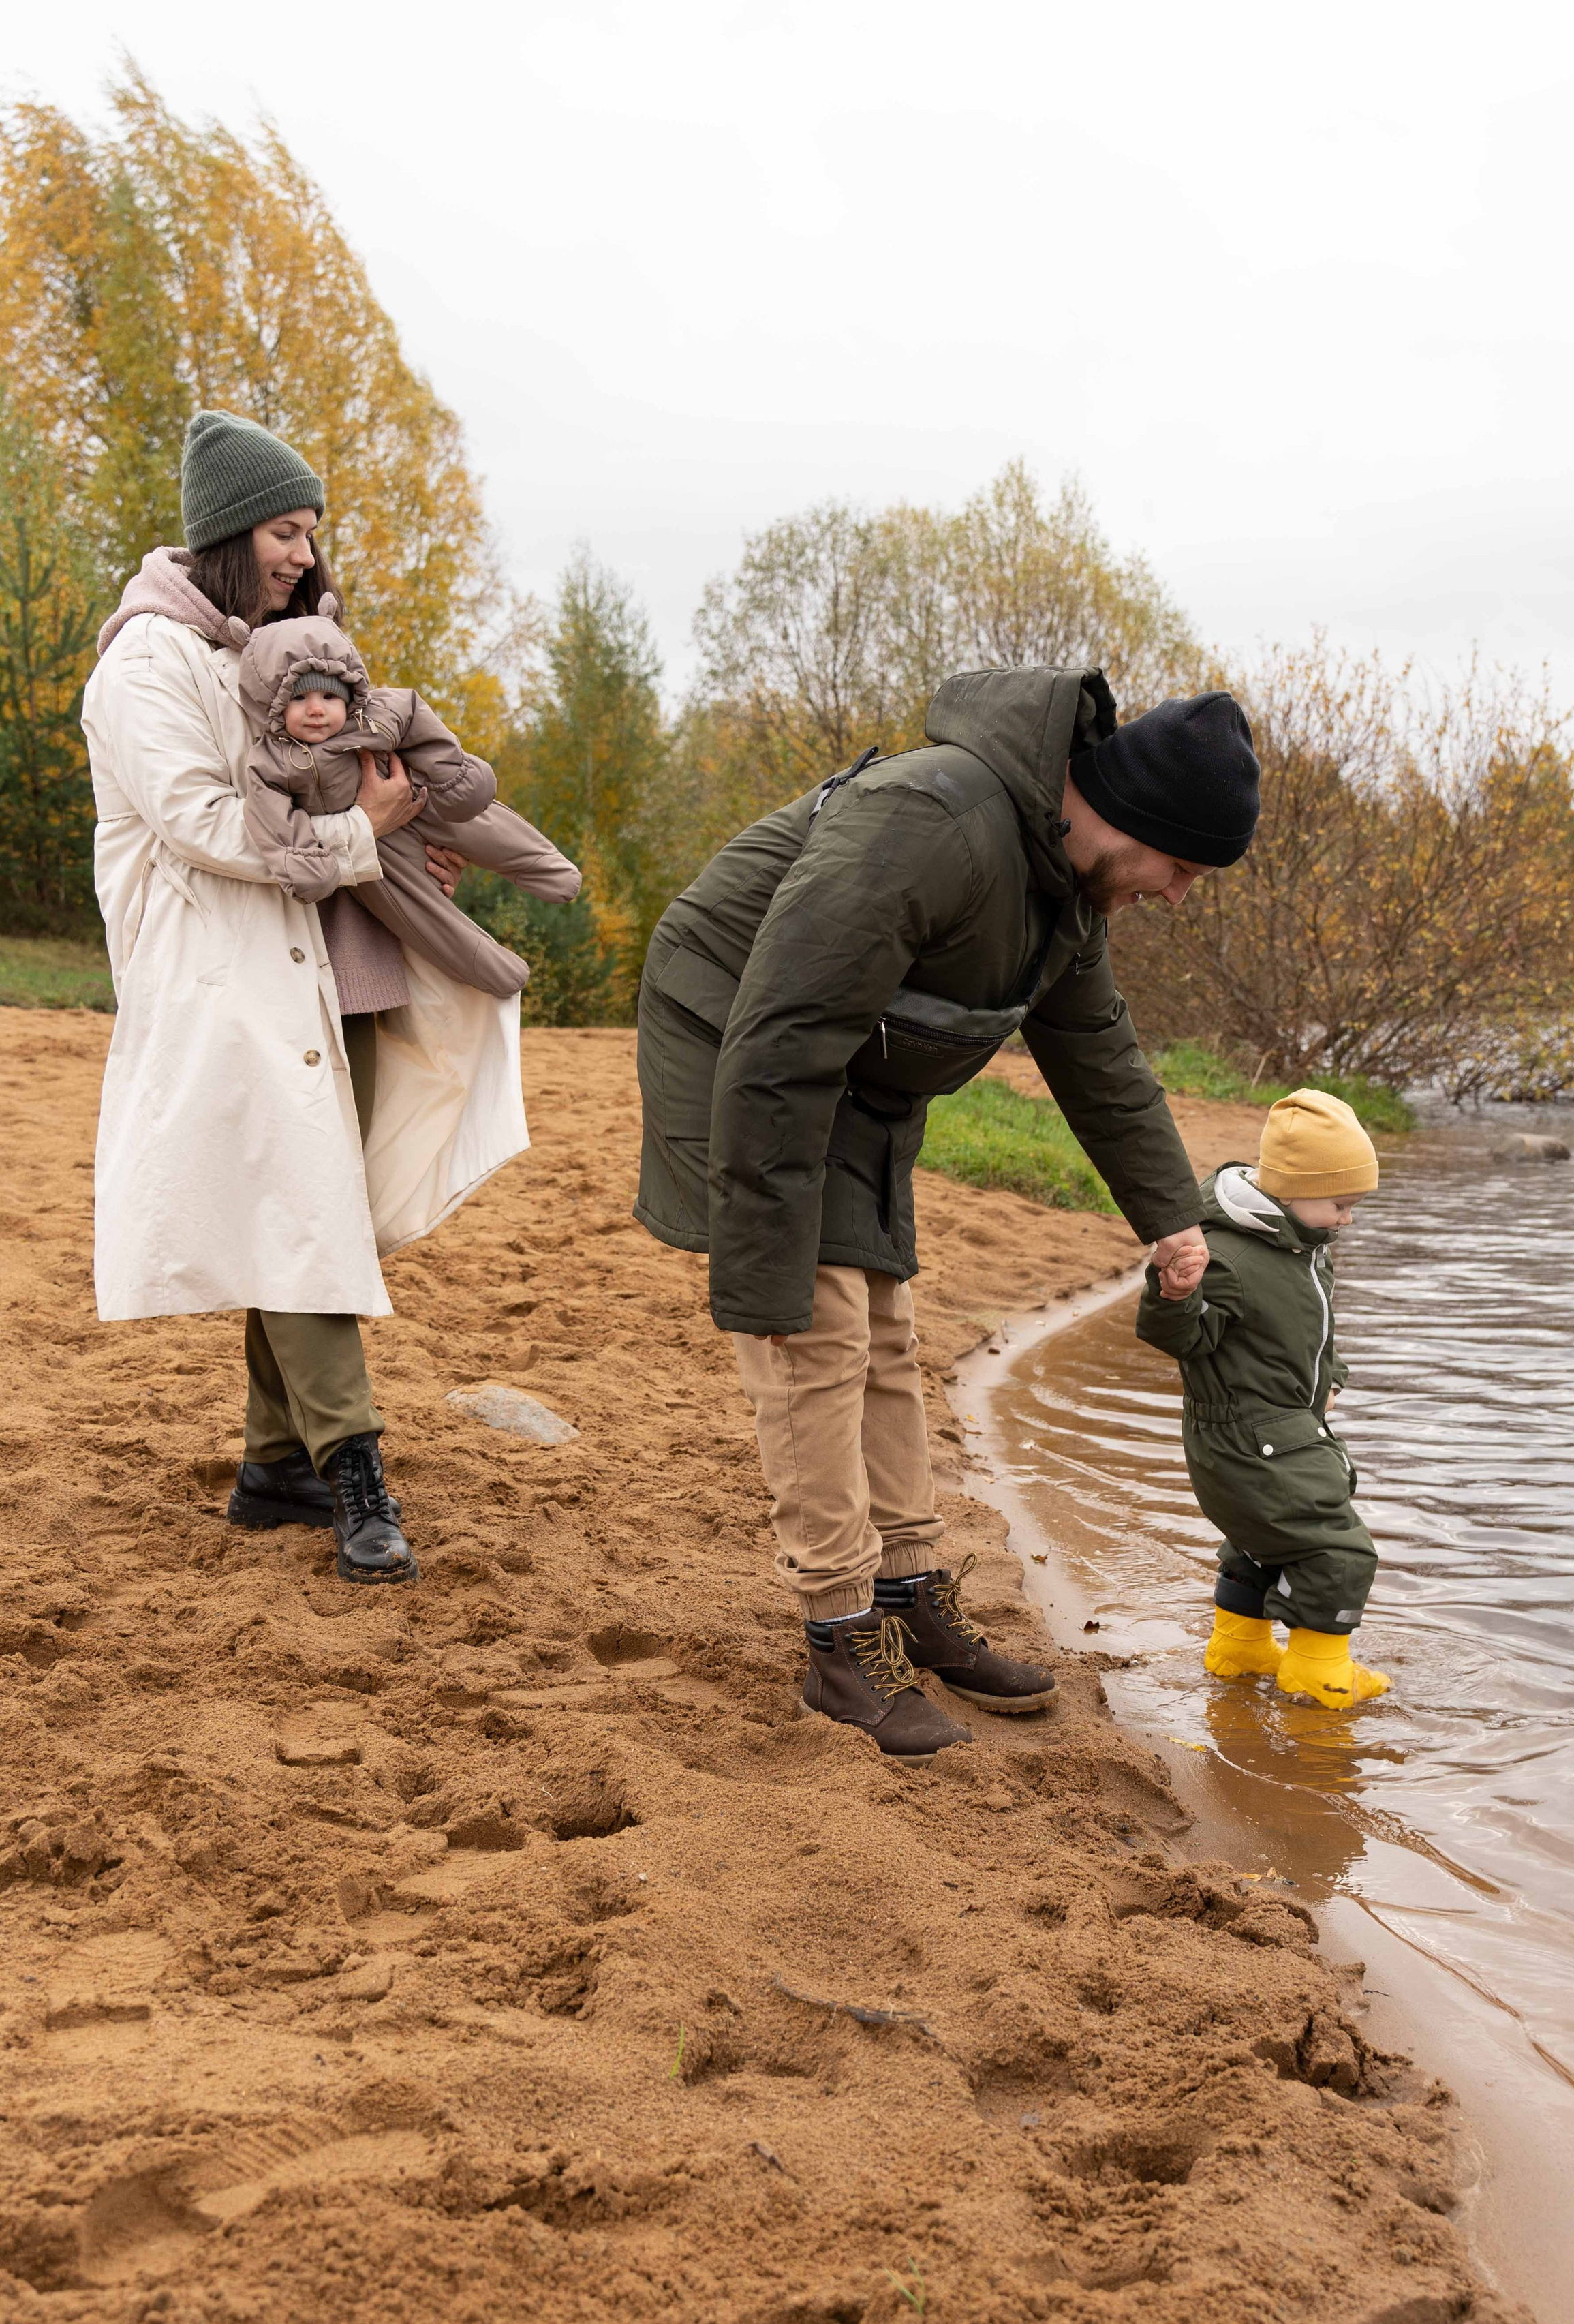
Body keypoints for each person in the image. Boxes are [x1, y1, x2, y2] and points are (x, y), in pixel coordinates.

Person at [634, 666, 1262, 1764]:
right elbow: (780, 1037)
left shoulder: (1059, 881)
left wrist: (1171, 1215)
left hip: (862, 1064)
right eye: (1184, 869)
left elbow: (1098, 1053)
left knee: (886, 1327)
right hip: (742, 1038)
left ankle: (908, 1587)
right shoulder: (934, 821)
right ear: (1137, 822)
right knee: (814, 1328)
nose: (1177, 895)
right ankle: (840, 1637)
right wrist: (762, 1273)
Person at [82, 408, 536, 1585]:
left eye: (309, 533)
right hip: (219, 972)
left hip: (329, 959)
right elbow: (199, 824)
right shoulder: (146, 664)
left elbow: (339, 771)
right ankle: (354, 1473)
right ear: (232, 530)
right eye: (286, 529)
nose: (302, 552)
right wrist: (356, 835)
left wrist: (405, 837)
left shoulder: (269, 645)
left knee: (304, 1202)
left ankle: (273, 1463)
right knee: (298, 1206)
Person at [1134, 1088, 1391, 1709]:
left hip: (1278, 1427)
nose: (1348, 1219)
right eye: (1341, 1204)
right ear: (1294, 1189)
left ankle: (1240, 1646)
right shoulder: (1231, 1256)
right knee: (1334, 1548)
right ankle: (1318, 1672)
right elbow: (1185, 1340)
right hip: (1251, 1437)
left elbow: (1305, 1332)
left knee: (1260, 1540)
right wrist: (1173, 1295)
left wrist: (1331, 1376)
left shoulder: (1298, 1245)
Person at [239, 607, 580, 997]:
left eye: (329, 695)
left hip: (420, 795)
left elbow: (418, 720)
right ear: (271, 701)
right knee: (419, 913)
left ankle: (549, 869)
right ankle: (490, 968)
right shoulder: (270, 762)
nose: (316, 709)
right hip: (375, 848)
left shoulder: (375, 713)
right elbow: (270, 817)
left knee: (485, 827)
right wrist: (306, 863)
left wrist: (454, 775)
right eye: (299, 698)